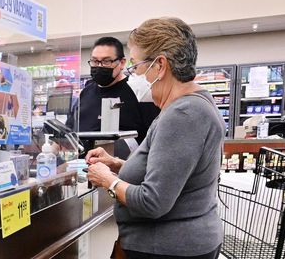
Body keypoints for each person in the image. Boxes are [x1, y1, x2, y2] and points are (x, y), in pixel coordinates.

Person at [85, 17, 224, 259]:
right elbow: (171, 175)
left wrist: (108, 180)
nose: (133, 76)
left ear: (160, 65)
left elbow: (153, 202)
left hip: (168, 248)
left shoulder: (182, 115)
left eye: (136, 66)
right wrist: (117, 164)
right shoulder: (193, 104)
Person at [66, 37, 159, 141]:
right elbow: (69, 130)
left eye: (106, 61)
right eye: (95, 61)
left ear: (122, 63)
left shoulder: (138, 91)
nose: (99, 66)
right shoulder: (86, 92)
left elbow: (154, 136)